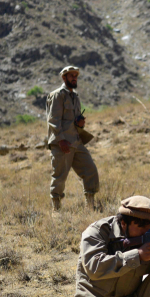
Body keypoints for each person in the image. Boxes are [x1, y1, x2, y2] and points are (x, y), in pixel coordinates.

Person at [46, 66, 99, 211]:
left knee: (90, 170)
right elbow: (53, 120)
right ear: (64, 78)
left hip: (76, 141)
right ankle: (56, 210)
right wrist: (60, 140)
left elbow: (73, 121)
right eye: (71, 75)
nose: (74, 78)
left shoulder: (75, 96)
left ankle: (90, 206)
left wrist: (80, 124)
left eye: (76, 75)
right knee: (60, 176)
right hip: (63, 143)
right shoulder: (57, 95)